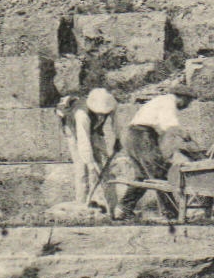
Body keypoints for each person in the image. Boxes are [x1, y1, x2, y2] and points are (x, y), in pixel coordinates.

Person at [117, 84, 200, 220]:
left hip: (132, 135)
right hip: (141, 135)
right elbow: (170, 125)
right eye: (188, 101)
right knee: (159, 173)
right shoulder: (169, 102)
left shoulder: (160, 101)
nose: (188, 105)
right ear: (182, 97)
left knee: (142, 175)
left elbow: (163, 130)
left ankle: (124, 209)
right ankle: (170, 213)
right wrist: (184, 134)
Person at [56, 88, 118, 213]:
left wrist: (118, 140)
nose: (102, 115)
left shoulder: (111, 104)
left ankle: (108, 203)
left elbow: (116, 124)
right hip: (73, 131)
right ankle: (83, 202)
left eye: (103, 113)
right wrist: (90, 163)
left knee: (104, 165)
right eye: (98, 113)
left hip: (94, 129)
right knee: (82, 167)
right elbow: (83, 141)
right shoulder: (82, 114)